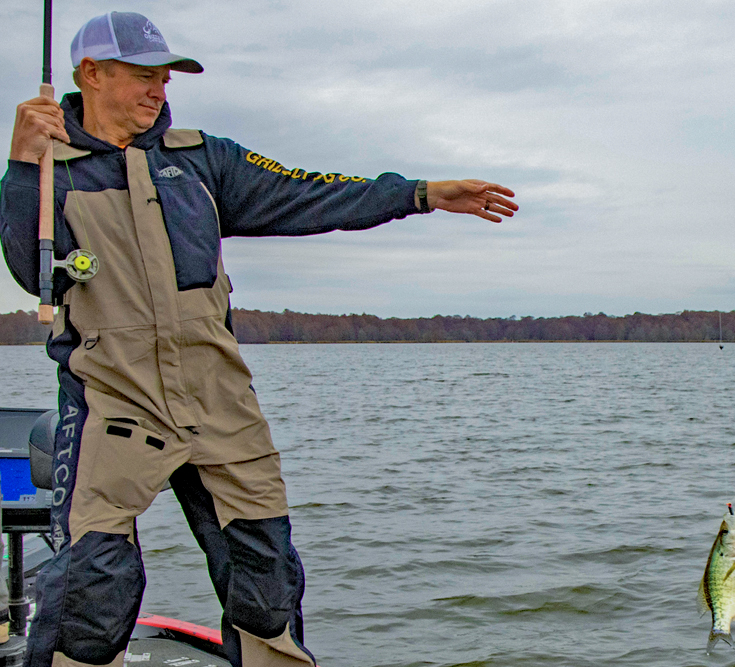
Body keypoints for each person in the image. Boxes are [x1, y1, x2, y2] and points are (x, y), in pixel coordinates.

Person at [0, 11, 517, 667]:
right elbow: (27, 267)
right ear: (91, 75)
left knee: (267, 583)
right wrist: (22, 166)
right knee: (92, 598)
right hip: (113, 406)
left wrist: (419, 193)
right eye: (142, 77)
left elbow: (308, 193)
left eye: (164, 78)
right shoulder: (52, 169)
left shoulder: (202, 157)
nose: (158, 91)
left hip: (221, 404)